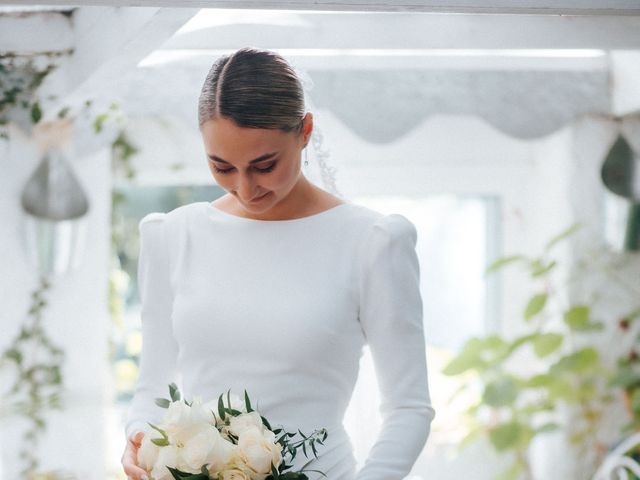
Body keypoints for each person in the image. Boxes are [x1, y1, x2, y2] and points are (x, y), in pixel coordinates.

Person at [121, 46, 435, 480]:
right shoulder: (172, 236)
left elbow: (409, 406)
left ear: (305, 131)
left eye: (264, 165)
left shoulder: (373, 243)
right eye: (222, 166)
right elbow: (152, 387)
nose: (245, 189)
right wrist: (140, 441)